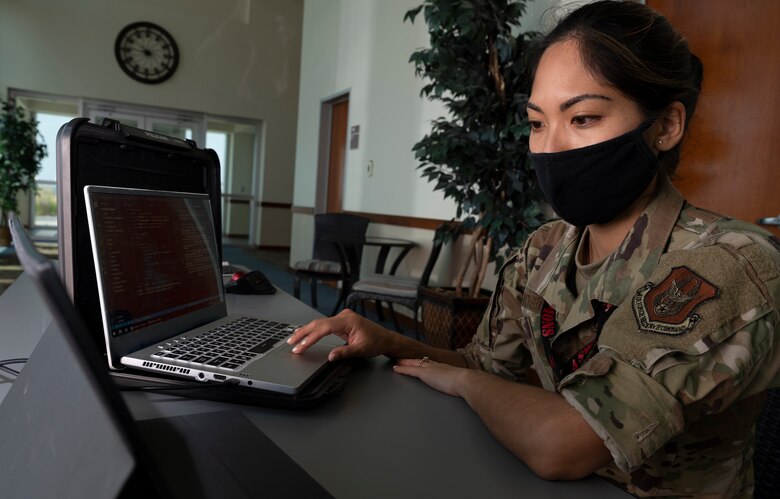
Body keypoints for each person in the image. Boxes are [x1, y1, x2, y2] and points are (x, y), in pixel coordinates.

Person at [288, 1, 780, 496]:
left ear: (665, 127)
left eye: (583, 118)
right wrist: (391, 342)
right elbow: (485, 366)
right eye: (537, 122)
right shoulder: (544, 248)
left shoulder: (728, 263)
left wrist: (465, 384)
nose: (551, 148)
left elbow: (561, 442)